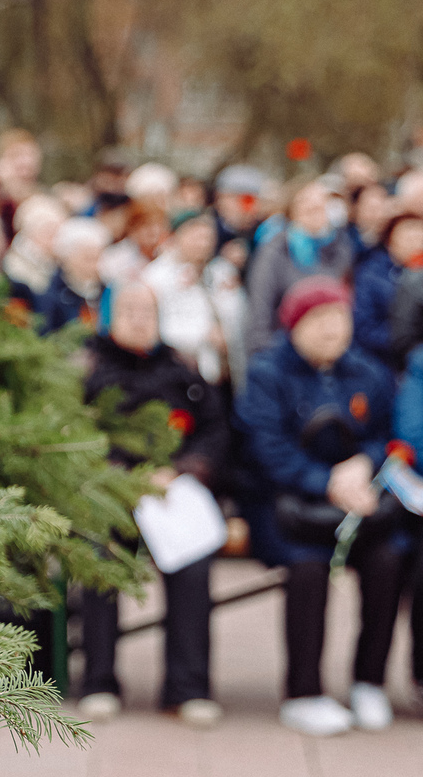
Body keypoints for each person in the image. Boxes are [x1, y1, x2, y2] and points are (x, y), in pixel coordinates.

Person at [235, 276, 410, 737]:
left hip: (355, 502)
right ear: (293, 325)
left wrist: (361, 466)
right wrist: (325, 480)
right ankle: (304, 691)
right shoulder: (267, 372)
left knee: (387, 559)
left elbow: (385, 434)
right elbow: (265, 447)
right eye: (319, 319)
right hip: (287, 505)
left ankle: (368, 681)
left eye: (340, 318)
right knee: (307, 567)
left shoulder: (367, 371)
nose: (332, 329)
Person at [74, 281, 228, 727]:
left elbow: (215, 430)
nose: (140, 319)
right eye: (129, 310)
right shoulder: (89, 366)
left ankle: (188, 687)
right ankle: (100, 680)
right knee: (101, 557)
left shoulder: (181, 369)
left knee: (194, 561)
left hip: (173, 490)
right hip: (111, 492)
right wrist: (123, 475)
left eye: (148, 310)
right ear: (110, 316)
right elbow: (74, 437)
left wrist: (185, 469)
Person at [245, 178, 353, 355]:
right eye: (305, 201)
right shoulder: (274, 251)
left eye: (321, 201)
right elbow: (260, 312)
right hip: (286, 352)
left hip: (332, 350)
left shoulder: (341, 248)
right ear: (292, 211)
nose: (315, 206)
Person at [141, 211, 226, 383]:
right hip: (173, 372)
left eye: (207, 238)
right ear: (176, 237)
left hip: (211, 373)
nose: (203, 244)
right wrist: (204, 334)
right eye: (196, 237)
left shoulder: (218, 272)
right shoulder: (156, 275)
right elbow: (157, 328)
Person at [353, 211, 423, 369]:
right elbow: (364, 329)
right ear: (390, 242)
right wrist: (407, 342)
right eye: (409, 238)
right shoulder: (371, 275)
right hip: (386, 361)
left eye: (420, 238)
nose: (417, 245)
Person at [38, 216, 111, 333]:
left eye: (97, 258)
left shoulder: (107, 290)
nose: (94, 266)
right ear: (67, 259)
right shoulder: (53, 295)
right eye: (88, 259)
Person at [2, 193, 68, 297]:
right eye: (51, 232)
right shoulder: (15, 266)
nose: (58, 238)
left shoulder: (60, 262)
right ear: (31, 233)